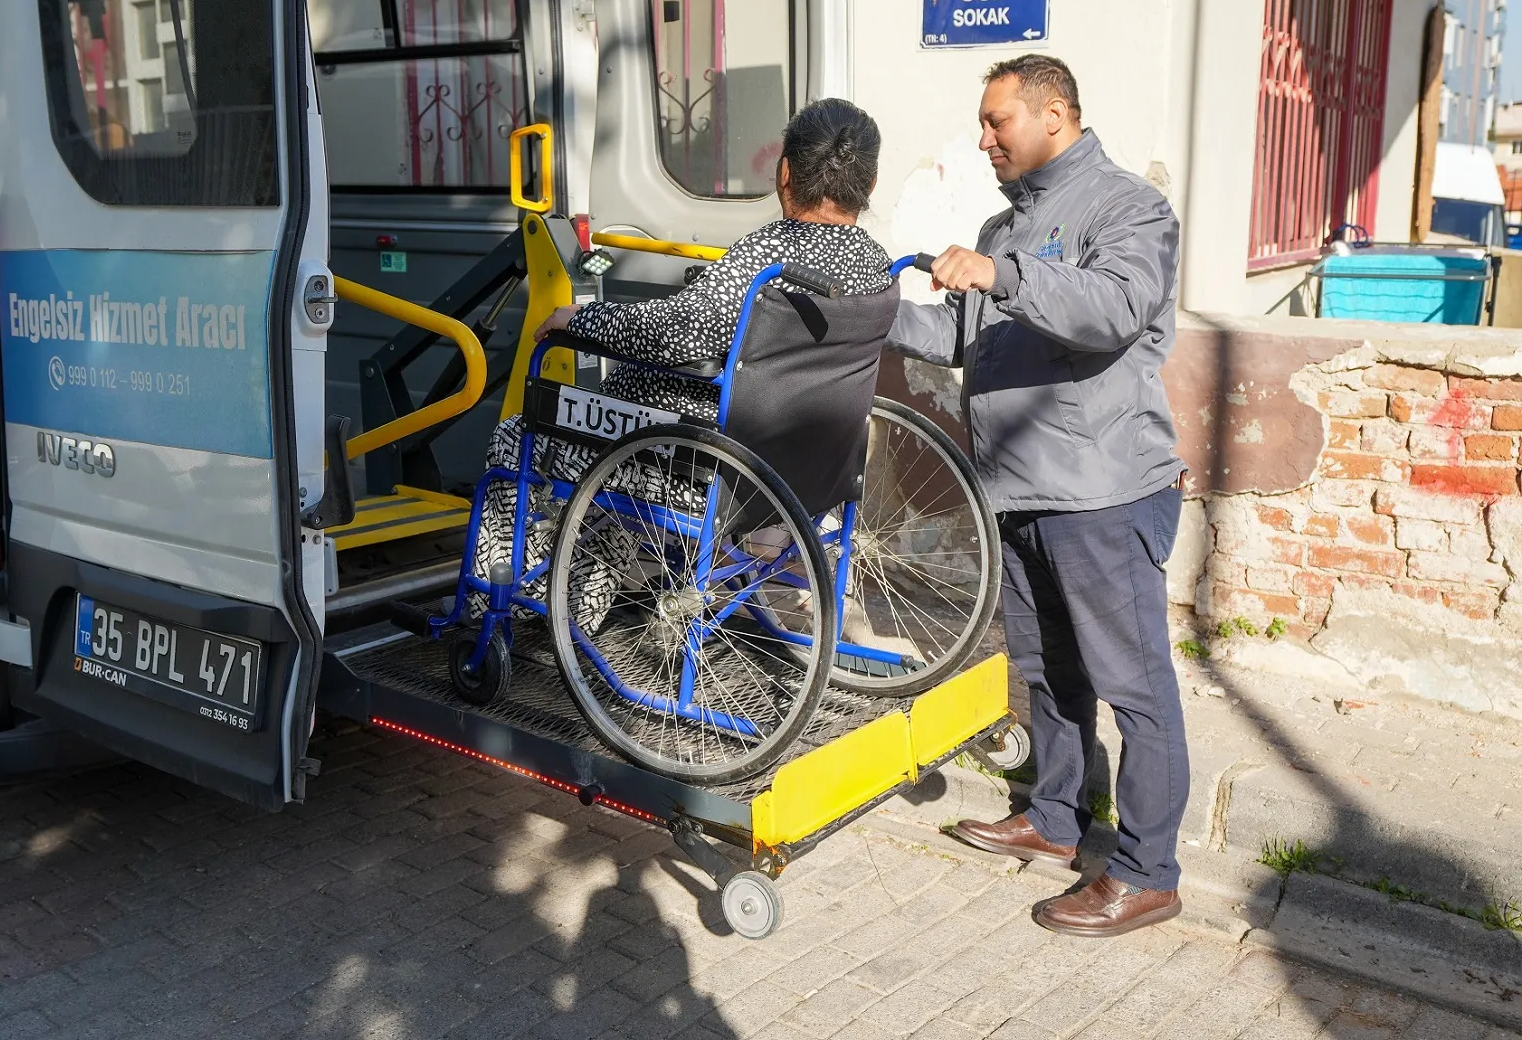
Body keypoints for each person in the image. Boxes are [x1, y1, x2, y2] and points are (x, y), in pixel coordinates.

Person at [884, 55, 1188, 938]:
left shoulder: (1128, 208)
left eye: (996, 122)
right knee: (1048, 673)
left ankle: (1147, 871)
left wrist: (999, 274)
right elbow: (958, 334)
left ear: (1054, 115)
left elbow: (1111, 310)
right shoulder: (1003, 222)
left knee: (1134, 687)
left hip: (1100, 493)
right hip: (1019, 491)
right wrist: (867, 313)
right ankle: (1055, 822)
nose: (983, 140)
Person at [469, 98, 896, 624]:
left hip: (703, 471)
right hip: (808, 472)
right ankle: (577, 606)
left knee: (518, 438)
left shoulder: (768, 258)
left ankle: (490, 607)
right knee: (611, 448)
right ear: (869, 184)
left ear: (785, 172)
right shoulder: (879, 267)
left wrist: (579, 320)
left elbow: (678, 332)